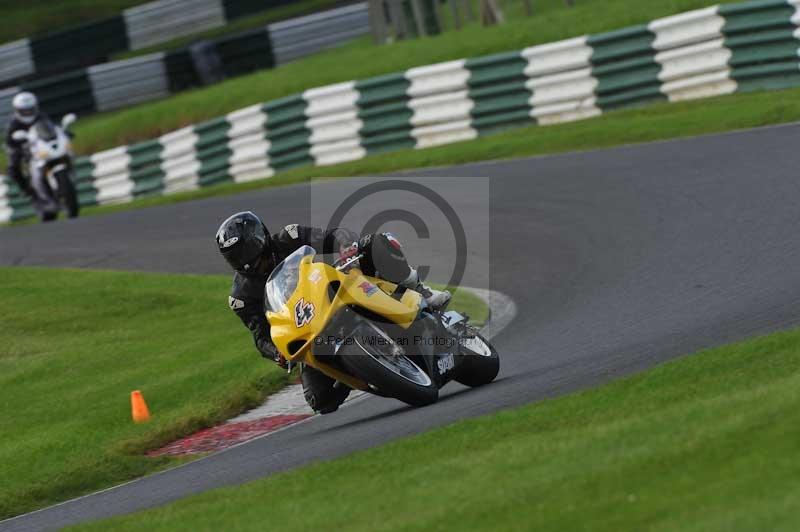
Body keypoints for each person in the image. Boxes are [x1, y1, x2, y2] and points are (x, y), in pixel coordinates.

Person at [215, 211, 451, 414]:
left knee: (375, 243)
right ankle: (354, 367)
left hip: (329, 287)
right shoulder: (241, 298)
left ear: (259, 236)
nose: (243, 257)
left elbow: (331, 236)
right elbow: (260, 336)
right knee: (320, 401)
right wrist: (277, 353)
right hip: (306, 326)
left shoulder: (290, 236)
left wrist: (345, 247)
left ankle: (420, 290)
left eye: (245, 248)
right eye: (234, 255)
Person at [4, 92, 42, 199]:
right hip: (19, 147)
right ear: (17, 110)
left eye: (30, 109)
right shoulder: (13, 123)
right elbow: (9, 141)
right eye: (24, 110)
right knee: (13, 167)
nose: (28, 112)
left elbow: (50, 127)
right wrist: (17, 147)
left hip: (39, 144)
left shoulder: (40, 117)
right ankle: (25, 188)